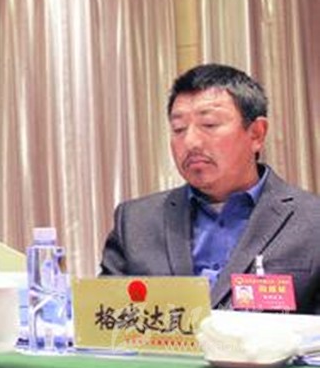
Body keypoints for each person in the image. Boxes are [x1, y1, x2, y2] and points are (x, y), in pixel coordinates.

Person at [100, 63, 320, 314]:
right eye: (179, 129)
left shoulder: (311, 221)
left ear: (256, 134)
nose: (191, 142)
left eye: (210, 125)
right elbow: (106, 320)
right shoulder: (136, 222)